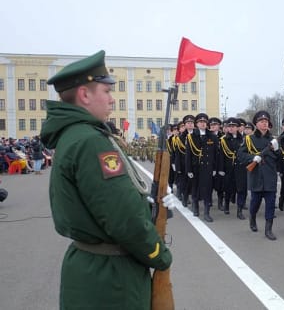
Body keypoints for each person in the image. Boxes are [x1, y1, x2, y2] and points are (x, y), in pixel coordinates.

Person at [40, 50, 173, 309]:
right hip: (112, 279)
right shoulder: (92, 142)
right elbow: (124, 217)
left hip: (92, 271)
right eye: (106, 91)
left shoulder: (76, 135)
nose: (112, 100)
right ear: (85, 94)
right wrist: (160, 255)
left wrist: (152, 208)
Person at [238, 110, 280, 240]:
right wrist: (252, 157)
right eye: (262, 122)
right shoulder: (249, 139)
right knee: (255, 202)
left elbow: (280, 158)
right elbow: (240, 155)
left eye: (266, 122)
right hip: (256, 176)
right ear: (256, 124)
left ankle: (268, 229)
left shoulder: (273, 140)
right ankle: (253, 218)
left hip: (270, 176)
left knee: (270, 204)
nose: (265, 124)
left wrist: (277, 149)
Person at [185, 113, 221, 222]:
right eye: (200, 122)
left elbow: (216, 154)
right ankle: (195, 207)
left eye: (205, 122)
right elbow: (188, 155)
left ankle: (206, 212)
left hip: (208, 168)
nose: (203, 124)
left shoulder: (212, 136)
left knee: (208, 189)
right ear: (197, 124)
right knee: (195, 188)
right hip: (196, 168)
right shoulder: (191, 137)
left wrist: (215, 168)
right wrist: (189, 170)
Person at [220, 117, 247, 219]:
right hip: (229, 168)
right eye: (229, 126)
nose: (231, 128)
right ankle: (226, 205)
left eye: (233, 126)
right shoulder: (224, 140)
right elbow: (221, 156)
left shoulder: (243, 139)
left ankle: (239, 210)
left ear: (238, 128)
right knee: (228, 188)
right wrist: (221, 169)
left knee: (241, 189)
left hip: (241, 168)